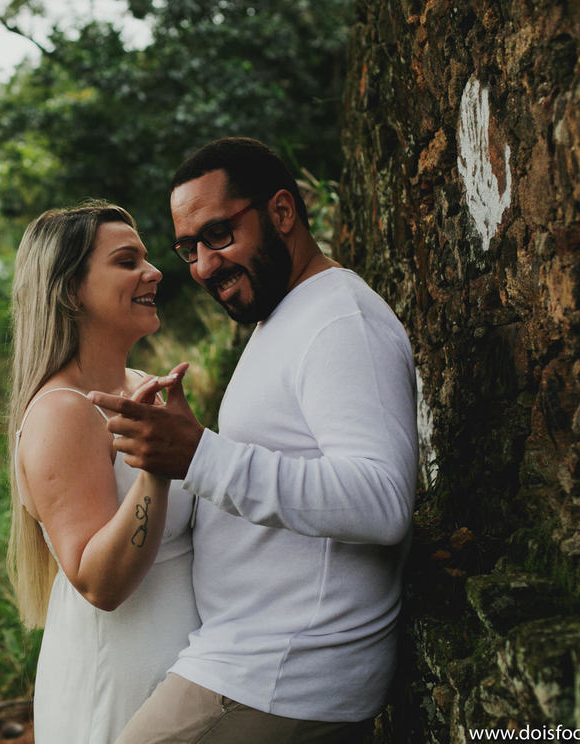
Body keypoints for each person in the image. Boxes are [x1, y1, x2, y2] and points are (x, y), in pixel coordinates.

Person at [88, 138, 419, 744]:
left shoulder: (341, 320)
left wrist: (199, 454)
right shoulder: (285, 316)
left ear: (283, 213)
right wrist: (182, 451)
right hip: (255, 665)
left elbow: (382, 499)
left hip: (279, 675)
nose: (203, 266)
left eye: (218, 235)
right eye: (188, 248)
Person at [7, 201, 201, 743]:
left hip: (188, 676)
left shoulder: (143, 384)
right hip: (116, 689)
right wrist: (156, 471)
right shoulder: (62, 413)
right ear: (70, 290)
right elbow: (99, 582)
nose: (155, 270)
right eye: (127, 260)